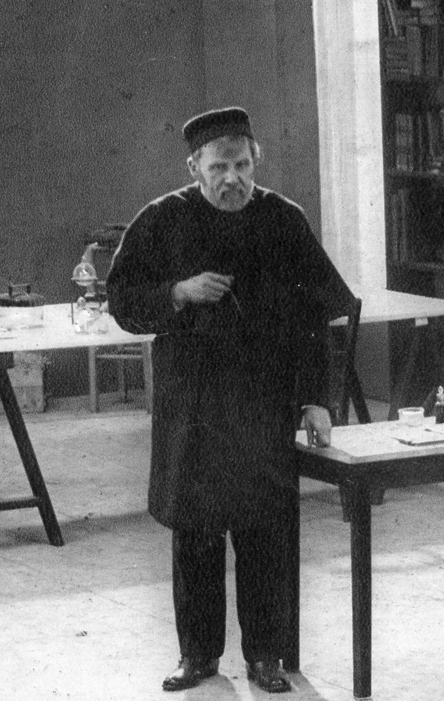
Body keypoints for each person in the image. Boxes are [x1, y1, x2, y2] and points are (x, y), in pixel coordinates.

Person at [106, 106, 351, 694]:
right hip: (192, 405)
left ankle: (265, 656)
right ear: (194, 167)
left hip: (262, 404)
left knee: (264, 533)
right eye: (218, 168)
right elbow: (121, 300)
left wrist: (316, 399)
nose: (231, 179)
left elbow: (315, 316)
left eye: (241, 165)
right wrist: (177, 292)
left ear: (255, 160)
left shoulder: (283, 220)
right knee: (195, 533)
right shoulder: (162, 219)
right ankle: (197, 657)